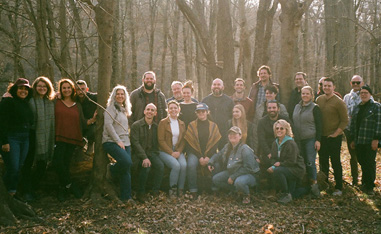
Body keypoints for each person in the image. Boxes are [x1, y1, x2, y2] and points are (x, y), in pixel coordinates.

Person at [20, 76, 55, 201]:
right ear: (35, 87)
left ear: (48, 88)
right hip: (31, 136)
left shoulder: (51, 101)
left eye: (44, 86)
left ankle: (33, 188)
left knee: (42, 164)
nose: (42, 88)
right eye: (39, 86)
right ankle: (26, 191)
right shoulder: (29, 99)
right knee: (28, 164)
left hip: (47, 137)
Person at [53, 78, 86, 201]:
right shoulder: (56, 102)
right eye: (64, 88)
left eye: (68, 87)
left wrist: (93, 120)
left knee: (66, 165)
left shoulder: (77, 105)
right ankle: (71, 185)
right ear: (60, 90)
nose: (66, 90)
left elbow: (82, 122)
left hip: (72, 138)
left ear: (72, 89)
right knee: (57, 163)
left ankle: (63, 189)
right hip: (58, 137)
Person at [208, 126, 260, 204]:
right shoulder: (227, 146)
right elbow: (218, 154)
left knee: (239, 182)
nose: (232, 136)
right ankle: (236, 190)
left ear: (240, 136)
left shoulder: (245, 149)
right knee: (216, 179)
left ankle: (246, 195)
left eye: (235, 134)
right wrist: (210, 162)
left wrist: (233, 177)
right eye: (230, 134)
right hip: (233, 171)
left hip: (249, 174)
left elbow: (248, 168)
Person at [0, 78, 34, 196]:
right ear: (15, 89)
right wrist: (4, 142)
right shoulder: (8, 101)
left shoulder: (27, 102)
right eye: (20, 88)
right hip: (11, 138)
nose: (23, 91)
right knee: (13, 168)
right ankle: (9, 193)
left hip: (25, 138)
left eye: (26, 89)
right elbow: (2, 122)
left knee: (18, 167)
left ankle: (10, 194)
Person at [316, 78, 348, 196]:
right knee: (323, 162)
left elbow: (345, 120)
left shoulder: (339, 102)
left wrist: (336, 133)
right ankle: (325, 185)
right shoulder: (319, 100)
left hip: (334, 137)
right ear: (322, 87)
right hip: (322, 137)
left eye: (329, 86)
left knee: (335, 162)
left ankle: (338, 187)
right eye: (325, 86)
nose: (327, 88)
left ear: (334, 87)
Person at [102, 85, 134, 202]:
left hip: (125, 142)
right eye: (118, 94)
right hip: (111, 142)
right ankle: (111, 169)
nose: (120, 96)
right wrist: (118, 141)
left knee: (127, 168)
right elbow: (108, 126)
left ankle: (126, 197)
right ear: (114, 95)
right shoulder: (111, 108)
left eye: (122, 94)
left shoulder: (124, 109)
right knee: (126, 162)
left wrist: (125, 141)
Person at [184, 103, 221, 199]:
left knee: (216, 165)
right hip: (195, 153)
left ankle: (215, 189)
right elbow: (189, 144)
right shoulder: (191, 125)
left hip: (210, 153)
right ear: (196, 113)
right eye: (198, 111)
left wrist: (208, 156)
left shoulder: (214, 126)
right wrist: (200, 157)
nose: (201, 113)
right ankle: (193, 190)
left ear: (207, 112)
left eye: (203, 111)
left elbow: (215, 143)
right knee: (191, 164)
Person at [349, 85, 380, 195]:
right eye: (361, 93)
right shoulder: (357, 107)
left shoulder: (376, 107)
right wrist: (352, 139)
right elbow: (353, 125)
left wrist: (376, 139)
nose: (363, 95)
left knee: (369, 162)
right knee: (362, 161)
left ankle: (370, 186)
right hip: (359, 140)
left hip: (370, 140)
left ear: (370, 94)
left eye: (366, 93)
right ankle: (364, 183)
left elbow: (379, 124)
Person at [130, 103, 164, 202]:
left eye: (152, 110)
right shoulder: (136, 125)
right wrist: (144, 157)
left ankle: (155, 190)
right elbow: (135, 143)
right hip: (138, 153)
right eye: (148, 109)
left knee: (160, 166)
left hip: (151, 153)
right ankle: (141, 192)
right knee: (146, 167)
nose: (149, 112)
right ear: (144, 111)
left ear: (155, 113)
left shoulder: (156, 127)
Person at [292, 86, 322, 197]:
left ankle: (314, 189)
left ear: (311, 95)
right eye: (303, 93)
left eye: (307, 93)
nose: (305, 95)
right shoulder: (297, 107)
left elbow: (319, 125)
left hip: (310, 139)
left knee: (310, 162)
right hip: (298, 140)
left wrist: (318, 140)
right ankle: (304, 187)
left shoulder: (315, 108)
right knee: (301, 163)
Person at [266, 120, 305, 204]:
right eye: (277, 128)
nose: (279, 130)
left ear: (286, 130)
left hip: (295, 169)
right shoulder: (275, 143)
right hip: (286, 168)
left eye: (281, 128)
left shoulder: (290, 143)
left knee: (277, 171)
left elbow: (292, 161)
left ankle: (285, 193)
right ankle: (309, 189)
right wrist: (274, 165)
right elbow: (273, 158)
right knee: (293, 194)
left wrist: (279, 165)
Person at [257, 100, 291, 191]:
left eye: (274, 107)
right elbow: (261, 139)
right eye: (269, 108)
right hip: (268, 150)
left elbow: (290, 135)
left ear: (278, 109)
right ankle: (272, 189)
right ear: (266, 109)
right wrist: (268, 152)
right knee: (270, 163)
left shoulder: (284, 120)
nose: (272, 109)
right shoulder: (262, 122)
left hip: (283, 148)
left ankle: (285, 188)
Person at [158, 101, 187, 198]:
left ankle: (181, 189)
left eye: (175, 108)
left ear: (179, 110)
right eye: (171, 108)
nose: (173, 110)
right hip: (164, 150)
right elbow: (161, 140)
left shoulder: (182, 123)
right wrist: (171, 152)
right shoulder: (163, 122)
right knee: (176, 165)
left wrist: (178, 151)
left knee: (183, 165)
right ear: (168, 110)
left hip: (177, 150)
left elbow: (183, 140)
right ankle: (172, 190)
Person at [252, 85, 288, 152]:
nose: (268, 95)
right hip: (263, 138)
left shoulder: (281, 107)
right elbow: (255, 124)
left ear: (275, 94)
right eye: (267, 93)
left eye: (270, 93)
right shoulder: (260, 107)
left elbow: (286, 124)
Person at [343, 75, 364, 186]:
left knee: (363, 155)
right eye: (354, 82)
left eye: (358, 82)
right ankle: (355, 179)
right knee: (353, 155)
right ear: (350, 83)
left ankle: (366, 180)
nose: (356, 85)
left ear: (362, 83)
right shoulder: (347, 97)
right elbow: (343, 111)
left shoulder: (365, 95)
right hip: (349, 130)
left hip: (362, 131)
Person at [202, 78, 234, 149]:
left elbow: (232, 117)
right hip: (208, 133)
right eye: (214, 84)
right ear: (211, 87)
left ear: (223, 87)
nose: (216, 86)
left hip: (224, 133)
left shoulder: (229, 101)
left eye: (219, 85)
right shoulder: (205, 100)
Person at [76, 80, 97, 155]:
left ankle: (90, 144)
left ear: (87, 89)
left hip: (91, 123)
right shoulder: (74, 99)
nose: (80, 92)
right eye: (78, 89)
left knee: (93, 130)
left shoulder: (93, 97)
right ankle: (80, 143)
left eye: (83, 89)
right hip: (78, 123)